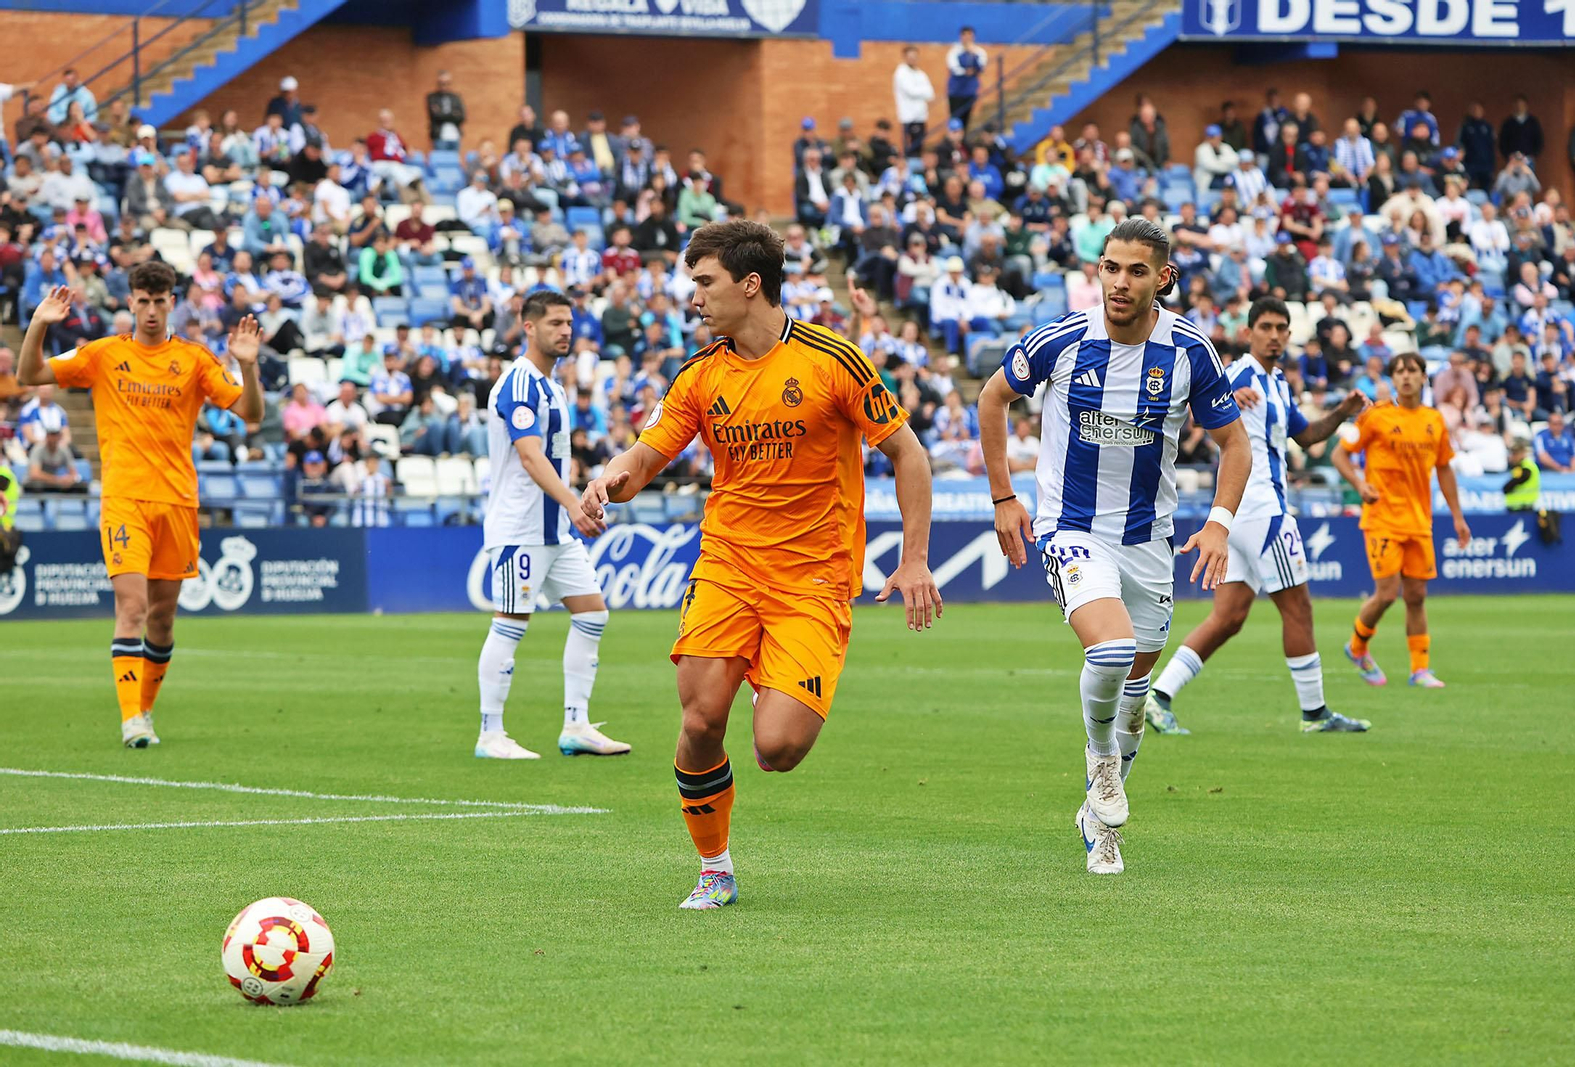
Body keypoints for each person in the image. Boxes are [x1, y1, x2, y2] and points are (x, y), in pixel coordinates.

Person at [577, 220, 941, 909]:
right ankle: (714, 867)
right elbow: (648, 454)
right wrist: (611, 480)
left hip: (813, 578)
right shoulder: (700, 374)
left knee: (776, 747)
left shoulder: (834, 360)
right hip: (727, 567)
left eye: (704, 282)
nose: (694, 298)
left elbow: (909, 454)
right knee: (700, 722)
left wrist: (915, 559)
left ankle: (771, 671)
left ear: (751, 285)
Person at [975, 218, 1251, 875]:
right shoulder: (1064, 340)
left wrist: (1217, 521)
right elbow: (993, 399)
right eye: (1109, 267)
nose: (1118, 282)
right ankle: (1099, 764)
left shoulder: (1188, 351)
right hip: (1070, 527)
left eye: (1134, 271)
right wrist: (1003, 498)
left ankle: (1100, 822)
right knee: (1113, 648)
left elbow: (1234, 443)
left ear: (1162, 278)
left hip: (1149, 538)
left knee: (1135, 697)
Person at [16, 265, 263, 747]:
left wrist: (248, 367)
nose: (151, 310)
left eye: (160, 301)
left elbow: (251, 414)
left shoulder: (194, 360)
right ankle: (131, 720)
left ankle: (143, 711)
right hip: (124, 499)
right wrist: (39, 324)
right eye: (143, 301)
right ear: (129, 303)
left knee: (163, 619)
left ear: (172, 302)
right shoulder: (104, 354)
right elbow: (29, 374)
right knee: (131, 607)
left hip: (177, 502)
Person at [1147, 298, 1372, 737]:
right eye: (1266, 326)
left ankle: (1158, 698)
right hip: (1262, 510)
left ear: (1290, 335)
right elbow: (1195, 411)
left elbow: (1304, 436)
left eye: (1281, 327)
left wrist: (1342, 413)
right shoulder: (1238, 375)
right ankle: (1315, 713)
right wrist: (1228, 395)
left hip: (1240, 518)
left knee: (1228, 618)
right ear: (1249, 332)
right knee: (1299, 608)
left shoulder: (1277, 383)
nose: (1274, 334)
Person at [475, 291, 629, 761]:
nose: (566, 331)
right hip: (521, 528)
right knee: (511, 623)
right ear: (529, 326)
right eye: (556, 323)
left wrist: (574, 498)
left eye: (569, 323)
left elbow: (552, 461)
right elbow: (528, 455)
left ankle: (576, 725)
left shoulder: (552, 385)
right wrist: (571, 505)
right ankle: (491, 733)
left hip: (554, 530)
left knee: (592, 613)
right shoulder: (519, 384)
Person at [1331, 353, 1471, 690]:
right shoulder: (1376, 416)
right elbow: (1339, 454)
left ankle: (1420, 669)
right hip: (1382, 518)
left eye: (1413, 371)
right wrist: (1359, 484)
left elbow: (1445, 468)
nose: (1406, 377)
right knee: (1387, 593)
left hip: (1419, 520)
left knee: (1417, 596)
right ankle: (1358, 646)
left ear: (1424, 378)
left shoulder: (1434, 420)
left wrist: (1457, 516)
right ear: (1392, 380)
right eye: (1400, 372)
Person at [893, 46, 936, 156]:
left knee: (920, 147)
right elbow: (910, 91)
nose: (913, 59)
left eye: (915, 56)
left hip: (921, 116)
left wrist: (921, 91)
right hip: (908, 117)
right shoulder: (901, 72)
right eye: (910, 56)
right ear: (905, 57)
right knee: (910, 148)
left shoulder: (921, 74)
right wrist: (923, 91)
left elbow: (931, 93)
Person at [945, 27, 986, 130]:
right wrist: (966, 71)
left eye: (970, 35)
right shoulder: (954, 51)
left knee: (966, 119)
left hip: (970, 91)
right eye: (965, 35)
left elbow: (981, 67)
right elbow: (954, 68)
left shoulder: (979, 52)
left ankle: (962, 142)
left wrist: (973, 55)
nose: (967, 37)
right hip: (955, 91)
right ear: (961, 36)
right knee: (955, 118)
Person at [426, 70, 467, 149]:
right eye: (442, 83)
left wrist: (442, 113)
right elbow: (435, 115)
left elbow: (461, 116)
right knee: (440, 159)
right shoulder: (432, 97)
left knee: (454, 160)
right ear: (438, 83)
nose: (444, 86)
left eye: (447, 83)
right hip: (439, 136)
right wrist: (453, 114)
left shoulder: (456, 98)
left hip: (455, 136)